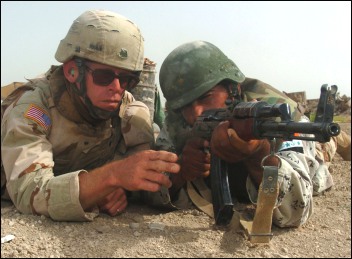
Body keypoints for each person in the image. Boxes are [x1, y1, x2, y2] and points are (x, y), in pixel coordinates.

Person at [145, 40, 350, 228]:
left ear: (233, 89)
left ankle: (337, 140)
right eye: (186, 105)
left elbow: (296, 211)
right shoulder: (177, 122)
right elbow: (146, 190)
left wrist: (258, 155)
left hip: (307, 140)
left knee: (321, 158)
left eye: (206, 97)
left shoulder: (274, 118)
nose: (197, 112)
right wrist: (182, 170)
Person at [0, 10, 180, 222]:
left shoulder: (129, 110)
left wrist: (113, 189)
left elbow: (144, 184)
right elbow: (29, 192)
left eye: (127, 79)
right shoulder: (34, 108)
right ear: (72, 72)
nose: (117, 88)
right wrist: (110, 178)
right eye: (104, 76)